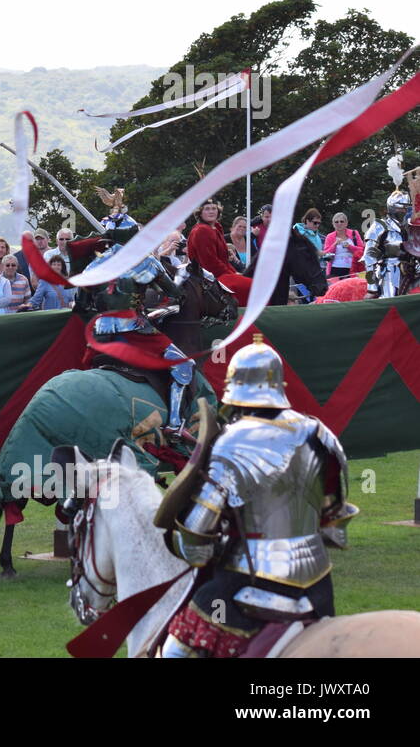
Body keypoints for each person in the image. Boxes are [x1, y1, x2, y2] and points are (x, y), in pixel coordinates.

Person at [156, 335, 355, 658]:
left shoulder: (232, 441)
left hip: (251, 581)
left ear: (235, 389)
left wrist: (199, 546)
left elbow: (197, 539)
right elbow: (333, 522)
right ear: (279, 384)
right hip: (317, 581)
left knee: (176, 649)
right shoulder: (318, 432)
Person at [364, 176, 420, 298]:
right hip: (389, 271)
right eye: (403, 207)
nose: (406, 210)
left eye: (407, 207)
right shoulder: (380, 226)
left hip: (411, 271)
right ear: (393, 207)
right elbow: (369, 258)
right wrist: (371, 287)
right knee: (390, 303)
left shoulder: (409, 226)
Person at [186, 199, 232, 280]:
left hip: (220, 274)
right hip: (210, 279)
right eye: (207, 209)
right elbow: (210, 263)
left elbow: (224, 261)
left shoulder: (215, 228)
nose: (211, 211)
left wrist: (235, 273)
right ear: (200, 213)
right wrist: (232, 275)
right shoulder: (202, 230)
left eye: (214, 208)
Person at [322, 212, 364, 279]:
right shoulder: (329, 236)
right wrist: (334, 245)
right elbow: (326, 254)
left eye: (342, 221)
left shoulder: (354, 233)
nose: (339, 224)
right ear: (333, 224)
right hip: (335, 269)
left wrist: (349, 246)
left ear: (346, 223)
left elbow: (362, 250)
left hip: (353, 269)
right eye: (336, 222)